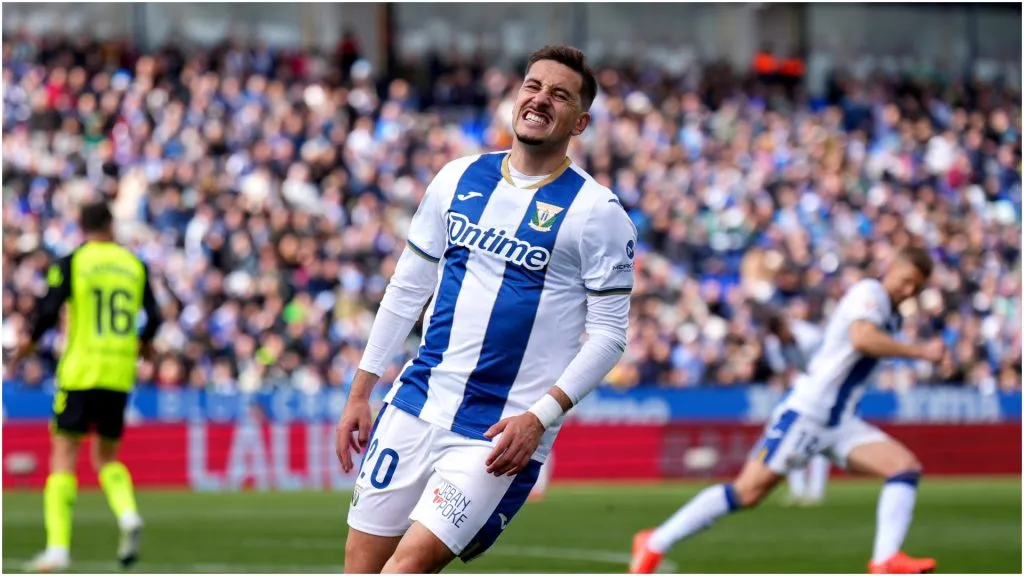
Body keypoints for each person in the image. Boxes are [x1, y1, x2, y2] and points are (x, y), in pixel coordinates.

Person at [334, 44, 636, 574]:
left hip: (500, 431)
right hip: (416, 402)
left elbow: (610, 336)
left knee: (406, 567)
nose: (540, 99)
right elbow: (407, 288)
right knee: (361, 568)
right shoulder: (456, 178)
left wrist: (539, 419)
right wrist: (361, 391)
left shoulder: (597, 212)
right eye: (533, 86)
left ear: (580, 122)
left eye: (559, 95)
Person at [630, 246, 945, 575]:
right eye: (906, 280)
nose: (909, 290)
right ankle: (654, 542)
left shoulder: (892, 315)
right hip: (807, 413)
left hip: (841, 421)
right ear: (891, 268)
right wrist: (921, 352)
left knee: (904, 467)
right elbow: (862, 338)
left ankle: (885, 561)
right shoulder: (870, 293)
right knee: (747, 492)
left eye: (917, 287)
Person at [8, 201, 163, 572]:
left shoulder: (74, 262)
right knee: (107, 457)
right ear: (110, 225)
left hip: (81, 370)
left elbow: (49, 310)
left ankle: (58, 548)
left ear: (81, 228)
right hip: (119, 372)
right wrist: (143, 345)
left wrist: (28, 345)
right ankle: (128, 514)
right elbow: (155, 317)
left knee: (63, 455)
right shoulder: (134, 265)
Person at [762, 310, 832, 506]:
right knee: (790, 437)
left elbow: (829, 364)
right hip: (802, 386)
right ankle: (798, 490)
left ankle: (816, 491)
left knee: (819, 439)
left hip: (824, 385)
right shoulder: (773, 343)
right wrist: (788, 398)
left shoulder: (810, 336)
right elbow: (782, 371)